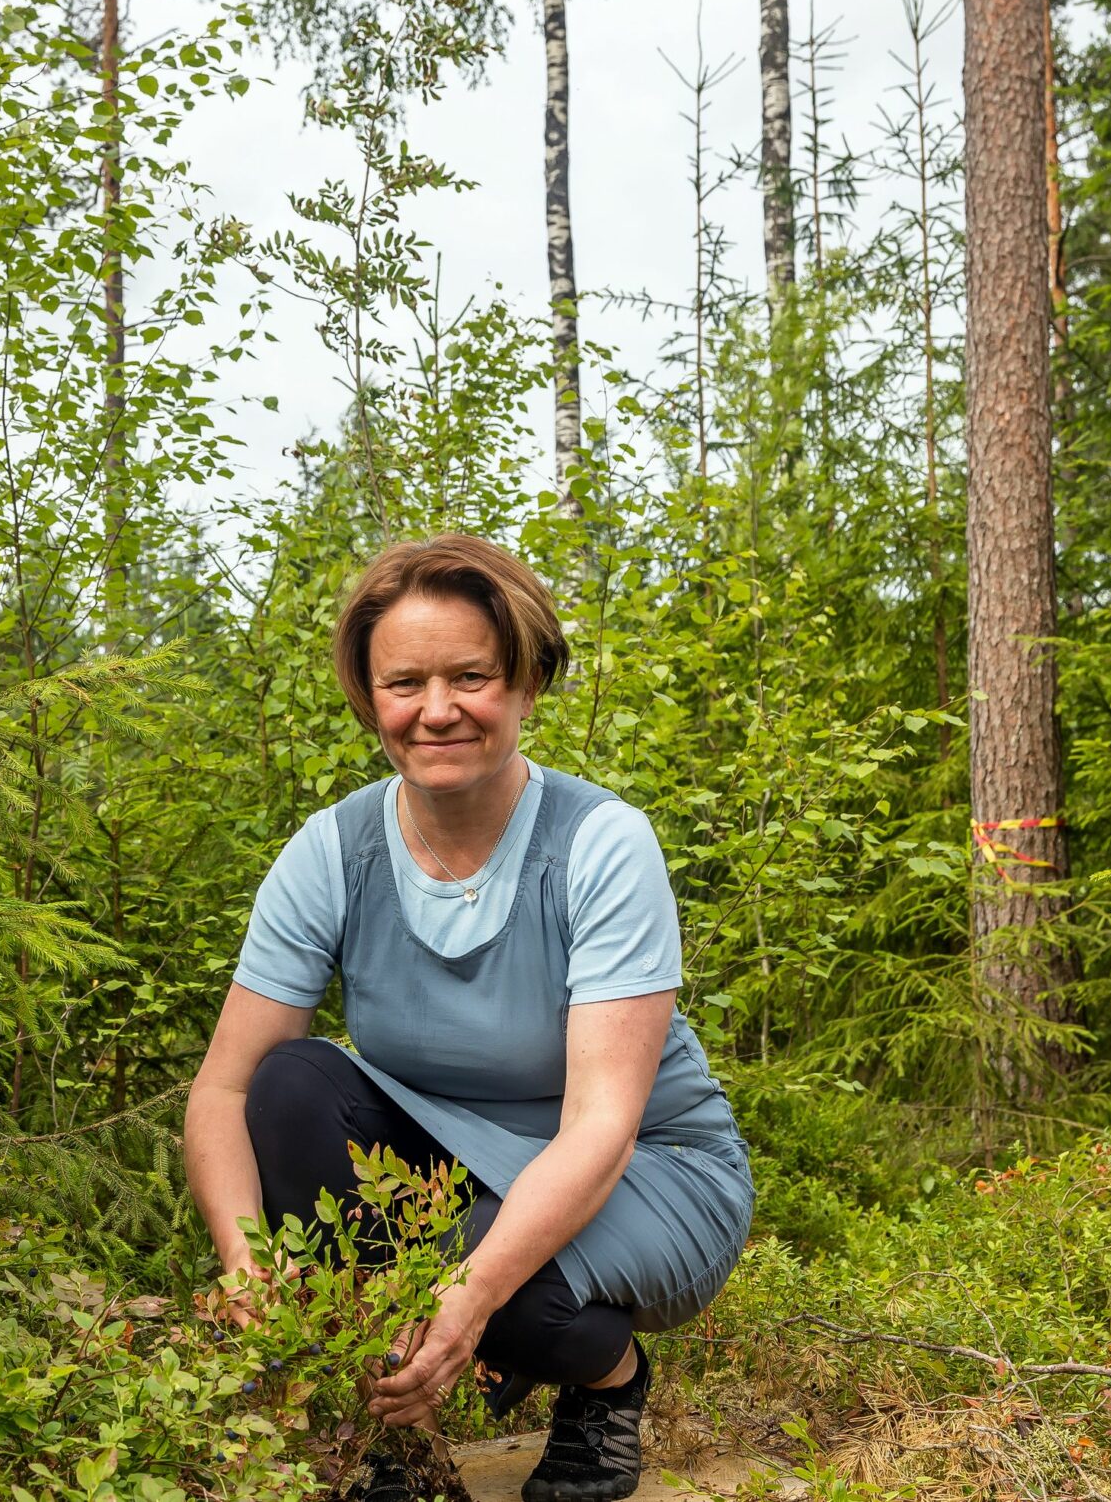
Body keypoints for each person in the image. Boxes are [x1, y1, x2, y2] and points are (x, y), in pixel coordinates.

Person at [184, 535, 754, 1502]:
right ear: (368, 698)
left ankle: (607, 1381)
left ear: (526, 683)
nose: (436, 709)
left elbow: (603, 1125)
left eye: (472, 676)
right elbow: (224, 1088)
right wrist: (248, 1264)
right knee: (288, 1086)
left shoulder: (600, 844)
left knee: (486, 1263)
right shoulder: (332, 852)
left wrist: (470, 1290)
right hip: (454, 1160)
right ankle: (402, 1432)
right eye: (403, 682)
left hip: (647, 1168)